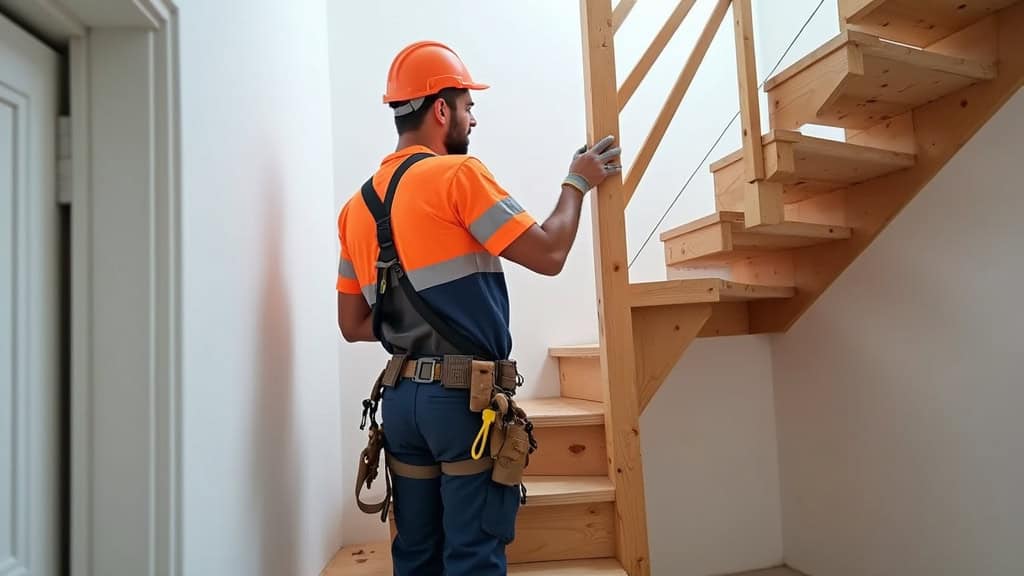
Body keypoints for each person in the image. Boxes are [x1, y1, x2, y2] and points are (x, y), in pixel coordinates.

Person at [336, 40, 622, 576]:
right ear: (440, 109)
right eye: (467, 106)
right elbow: (550, 252)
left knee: (416, 553)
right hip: (462, 404)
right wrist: (576, 182)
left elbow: (351, 325)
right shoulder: (457, 176)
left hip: (400, 401)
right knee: (472, 555)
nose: (472, 118)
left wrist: (412, 326)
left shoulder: (355, 208)